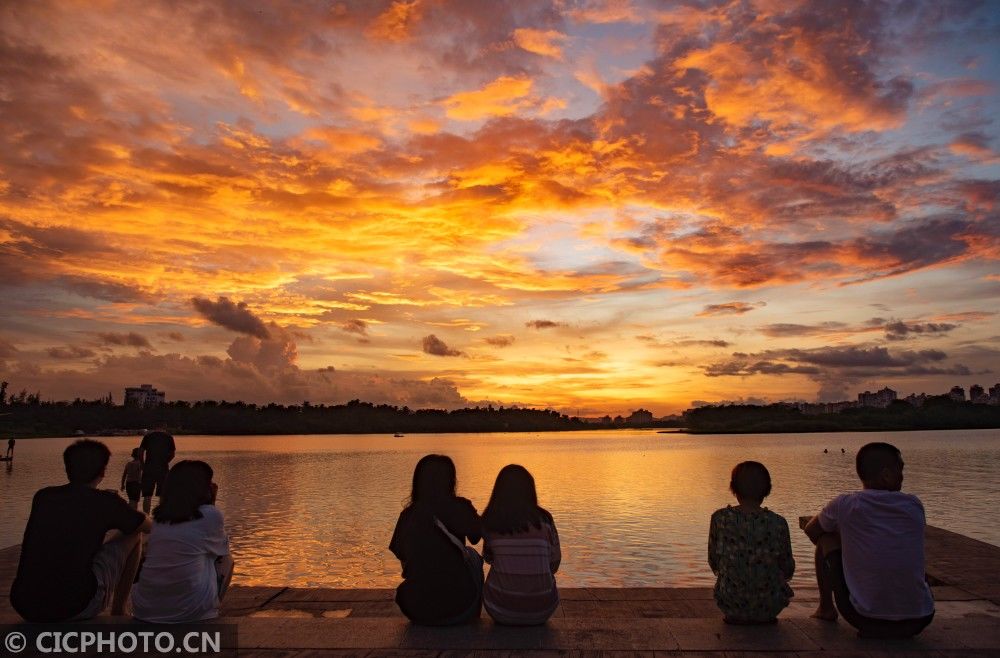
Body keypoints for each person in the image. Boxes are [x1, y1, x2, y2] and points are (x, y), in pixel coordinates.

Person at [10, 439, 150, 622]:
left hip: (25, 606)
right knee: (134, 533)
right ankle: (119, 610)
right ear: (102, 471)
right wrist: (119, 509)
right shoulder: (105, 502)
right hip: (76, 607)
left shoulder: (43, 497)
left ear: (67, 468)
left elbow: (75, 525)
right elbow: (147, 525)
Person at [804, 442, 934, 638]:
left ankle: (826, 608)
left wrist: (846, 545)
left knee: (826, 539)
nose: (903, 476)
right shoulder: (914, 504)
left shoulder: (845, 505)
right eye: (900, 469)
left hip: (865, 619)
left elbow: (812, 530)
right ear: (886, 475)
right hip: (919, 619)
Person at [132, 460, 234, 623]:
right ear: (204, 488)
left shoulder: (159, 517)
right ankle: (211, 609)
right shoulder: (210, 515)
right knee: (226, 559)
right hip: (189, 611)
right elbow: (220, 553)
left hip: (143, 609)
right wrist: (212, 502)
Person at [389, 454, 483, 625]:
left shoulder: (409, 514)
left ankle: (426, 593)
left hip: (417, 611)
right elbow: (477, 537)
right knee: (473, 555)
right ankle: (474, 610)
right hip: (459, 610)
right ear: (451, 480)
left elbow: (403, 557)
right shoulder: (460, 506)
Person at [708, 461, 794, 624]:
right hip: (769, 606)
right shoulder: (778, 522)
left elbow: (714, 562)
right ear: (767, 490)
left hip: (730, 603)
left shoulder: (720, 519)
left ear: (733, 489)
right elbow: (788, 567)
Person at [481, 464, 561, 625]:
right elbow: (554, 563)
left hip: (499, 610)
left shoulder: (491, 519)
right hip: (543, 611)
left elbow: (488, 558)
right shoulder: (545, 520)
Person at [139, 430, 176, 514]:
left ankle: (146, 516)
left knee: (147, 495)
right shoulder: (168, 437)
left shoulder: (148, 436)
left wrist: (143, 465)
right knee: (162, 495)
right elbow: (173, 454)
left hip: (149, 469)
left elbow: (140, 452)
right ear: (165, 426)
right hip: (162, 469)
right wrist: (166, 462)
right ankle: (161, 517)